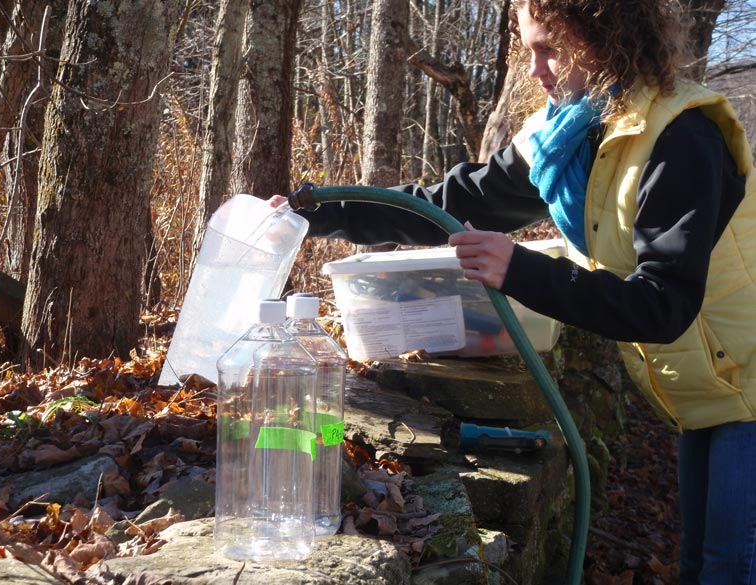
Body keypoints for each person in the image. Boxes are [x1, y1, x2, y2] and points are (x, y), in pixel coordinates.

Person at [270, 1, 756, 582]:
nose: (533, 69)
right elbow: (448, 204)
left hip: (747, 378)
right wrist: (318, 212)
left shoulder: (681, 138)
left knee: (730, 567)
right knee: (705, 564)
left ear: (604, 37)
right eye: (527, 48)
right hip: (709, 389)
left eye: (547, 48)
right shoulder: (567, 139)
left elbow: (662, 304)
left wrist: (519, 270)